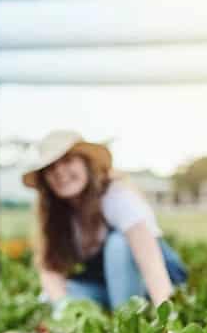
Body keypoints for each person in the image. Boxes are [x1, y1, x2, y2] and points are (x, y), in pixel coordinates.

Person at [23, 130, 187, 312]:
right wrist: (63, 310)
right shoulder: (58, 214)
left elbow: (151, 263)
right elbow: (50, 269)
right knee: (49, 297)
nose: (59, 172)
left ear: (86, 163)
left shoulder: (116, 196)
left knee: (118, 243)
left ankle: (126, 318)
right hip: (110, 287)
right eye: (51, 167)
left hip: (156, 283)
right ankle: (111, 312)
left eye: (67, 160)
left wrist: (165, 312)